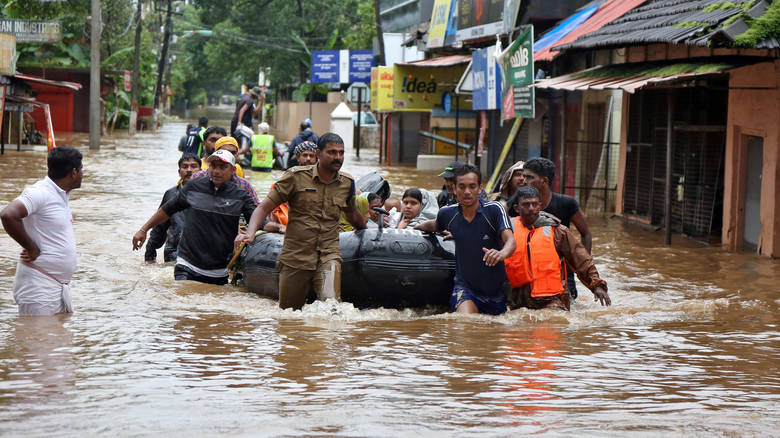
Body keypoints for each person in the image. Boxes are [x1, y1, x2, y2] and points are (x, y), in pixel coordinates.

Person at [237, 132, 367, 310]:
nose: (338, 157)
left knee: (332, 309)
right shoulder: (295, 177)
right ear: (318, 154)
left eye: (341, 153)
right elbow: (264, 207)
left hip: (329, 254)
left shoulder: (347, 183)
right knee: (290, 313)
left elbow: (352, 214)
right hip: (295, 256)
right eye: (332, 152)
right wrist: (250, 234)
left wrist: (369, 231)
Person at [132, 149, 256, 285]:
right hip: (187, 265)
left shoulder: (241, 195)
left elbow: (257, 219)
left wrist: (264, 229)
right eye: (213, 166)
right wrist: (143, 230)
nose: (216, 171)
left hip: (218, 271)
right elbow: (167, 210)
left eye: (222, 167)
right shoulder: (194, 187)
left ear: (233, 170)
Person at [416, 164, 516, 315]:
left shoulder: (494, 210)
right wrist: (413, 228)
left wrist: (501, 254)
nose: (467, 192)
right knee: (465, 325)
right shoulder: (447, 213)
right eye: (462, 187)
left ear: (480, 189)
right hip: (466, 288)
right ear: (454, 189)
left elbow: (511, 241)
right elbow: (434, 225)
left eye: (472, 186)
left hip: (495, 292)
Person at [1, 147, 83, 315]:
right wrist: (31, 247)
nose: (83, 174)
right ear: (74, 172)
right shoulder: (41, 192)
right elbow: (8, 215)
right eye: (82, 169)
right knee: (38, 340)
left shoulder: (60, 194)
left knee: (56, 339)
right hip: (38, 286)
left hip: (56, 285)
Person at [504, 186, 611, 311]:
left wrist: (596, 285)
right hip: (515, 299)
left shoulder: (558, 231)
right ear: (517, 208)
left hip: (551, 299)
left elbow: (581, 259)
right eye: (526, 205)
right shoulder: (506, 230)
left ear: (540, 205)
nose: (531, 208)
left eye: (534, 204)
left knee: (553, 321)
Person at [523, 157, 592, 300]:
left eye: (529, 177)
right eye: (524, 176)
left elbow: (585, 233)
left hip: (563, 274)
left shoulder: (566, 204)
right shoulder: (518, 204)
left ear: (544, 181)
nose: (524, 181)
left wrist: (581, 265)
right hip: (531, 274)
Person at [144, 153, 201, 263]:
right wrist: (149, 256)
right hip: (173, 251)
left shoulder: (209, 193)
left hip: (199, 252)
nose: (189, 170)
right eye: (185, 167)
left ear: (201, 171)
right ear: (179, 172)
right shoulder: (171, 194)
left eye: (194, 166)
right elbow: (159, 226)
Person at [263, 141, 319, 233]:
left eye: (311, 156)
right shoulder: (289, 177)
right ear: (298, 157)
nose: (308, 159)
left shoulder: (322, 179)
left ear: (316, 158)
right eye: (305, 155)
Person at [191, 137, 260, 206]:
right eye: (225, 152)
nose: (229, 156)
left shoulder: (244, 185)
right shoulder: (197, 178)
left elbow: (256, 210)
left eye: (233, 152)